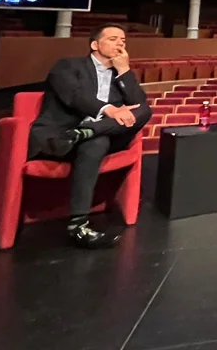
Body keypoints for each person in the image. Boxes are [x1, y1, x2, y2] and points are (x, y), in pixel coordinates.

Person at [28, 25, 151, 249]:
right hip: (61, 137)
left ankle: (87, 132)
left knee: (144, 110)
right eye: (113, 39)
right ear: (95, 45)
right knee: (97, 143)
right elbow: (75, 97)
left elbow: (137, 103)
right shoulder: (67, 66)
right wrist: (109, 110)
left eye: (123, 40)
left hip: (99, 134)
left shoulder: (118, 75)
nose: (120, 44)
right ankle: (79, 225)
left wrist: (124, 70)